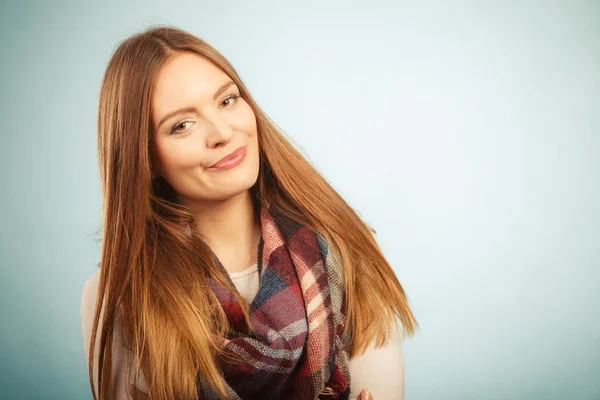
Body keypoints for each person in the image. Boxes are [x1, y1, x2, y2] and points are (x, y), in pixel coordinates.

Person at [80, 25, 418, 400]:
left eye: (227, 101)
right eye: (182, 125)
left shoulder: (348, 248)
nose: (222, 131)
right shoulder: (119, 293)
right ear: (145, 157)